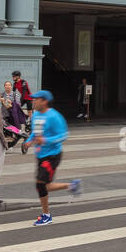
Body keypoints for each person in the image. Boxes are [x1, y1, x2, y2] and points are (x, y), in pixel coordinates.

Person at [27, 90, 81, 225]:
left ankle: (46, 216)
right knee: (47, 186)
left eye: (36, 99)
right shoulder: (36, 115)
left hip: (52, 156)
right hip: (40, 155)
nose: (33, 101)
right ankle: (71, 186)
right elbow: (35, 132)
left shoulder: (55, 116)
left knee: (40, 185)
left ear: (44, 101)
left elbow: (63, 135)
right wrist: (29, 141)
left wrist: (45, 140)